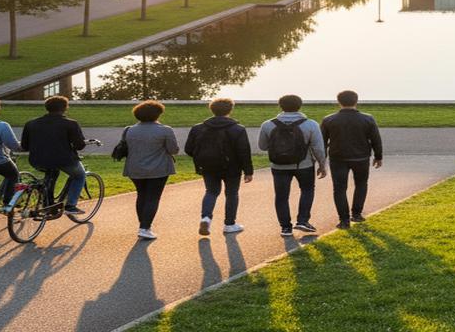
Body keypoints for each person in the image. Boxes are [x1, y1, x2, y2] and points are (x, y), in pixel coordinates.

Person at [258, 94, 327, 237]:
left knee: (281, 196)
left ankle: (285, 228)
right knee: (307, 190)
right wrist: (322, 164)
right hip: (304, 165)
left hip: (278, 166)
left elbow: (262, 146)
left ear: (280, 106)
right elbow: (318, 148)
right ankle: (302, 220)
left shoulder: (268, 125)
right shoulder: (311, 124)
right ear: (300, 106)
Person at [185, 97, 254, 236]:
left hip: (208, 166)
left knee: (211, 191)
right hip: (232, 167)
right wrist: (248, 171)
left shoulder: (198, 128)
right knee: (232, 194)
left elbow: (189, 149)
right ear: (230, 110)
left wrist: (202, 158)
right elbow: (244, 151)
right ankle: (229, 224)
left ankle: (205, 218)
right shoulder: (238, 129)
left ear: (212, 109)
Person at [321, 90, 383, 229]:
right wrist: (378, 156)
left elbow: (322, 143)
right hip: (361, 158)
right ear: (356, 101)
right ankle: (357, 214)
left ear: (338, 102)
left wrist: (321, 161)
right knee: (361, 185)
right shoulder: (368, 119)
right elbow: (376, 139)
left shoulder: (328, 120)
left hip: (338, 158)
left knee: (339, 189)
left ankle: (344, 220)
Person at [20, 95, 88, 216]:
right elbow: (79, 146)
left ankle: (48, 204)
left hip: (37, 160)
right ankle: (71, 206)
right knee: (79, 176)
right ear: (65, 108)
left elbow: (25, 146)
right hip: (63, 160)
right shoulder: (71, 124)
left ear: (47, 108)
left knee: (51, 173)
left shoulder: (31, 123)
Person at [122, 100, 180, 240]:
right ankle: (144, 228)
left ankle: (143, 225)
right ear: (157, 114)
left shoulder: (129, 130)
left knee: (141, 195)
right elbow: (174, 150)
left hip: (134, 168)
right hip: (159, 168)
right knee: (153, 197)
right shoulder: (165, 130)